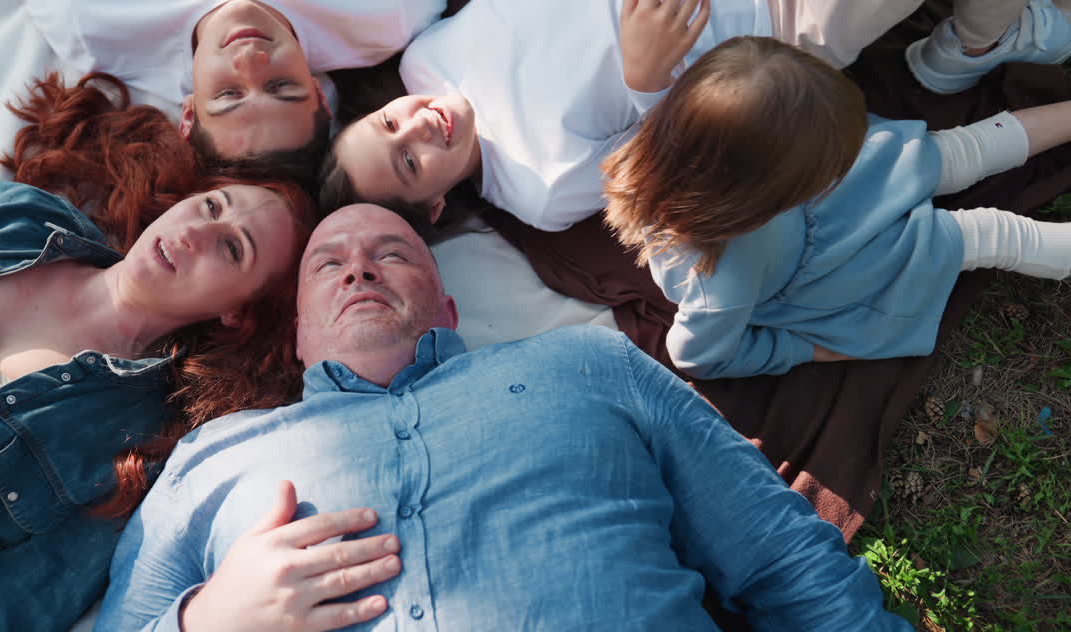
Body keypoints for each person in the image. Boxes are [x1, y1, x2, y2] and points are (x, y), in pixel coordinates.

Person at [93, 202, 913, 632]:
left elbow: (780, 557)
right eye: (328, 264)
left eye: (393, 253)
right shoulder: (211, 462)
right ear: (299, 332)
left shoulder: (587, 365)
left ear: (446, 303)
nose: (360, 270)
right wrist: (205, 624)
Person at [0, 74, 318, 632]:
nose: (196, 233)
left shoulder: (134, 447)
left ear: (236, 313)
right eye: (212, 206)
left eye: (233, 249)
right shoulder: (22, 217)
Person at [320, 0, 1071, 232]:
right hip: (791, 18)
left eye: (389, 122)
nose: (419, 125)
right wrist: (650, 80)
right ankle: (966, 53)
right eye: (410, 162)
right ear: (436, 207)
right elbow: (676, 167)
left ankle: (983, 23)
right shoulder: (536, 189)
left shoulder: (430, 56)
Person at [598, 36, 1071, 379]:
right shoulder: (722, 281)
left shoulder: (683, 139)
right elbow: (697, 357)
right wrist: (805, 350)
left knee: (957, 154)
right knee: (980, 228)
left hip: (807, 205)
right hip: (823, 268)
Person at [0, 0, 464, 184]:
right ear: (319, 91)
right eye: (281, 86)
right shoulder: (387, 4)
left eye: (229, 95)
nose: (249, 60)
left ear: (187, 114)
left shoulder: (95, 19)